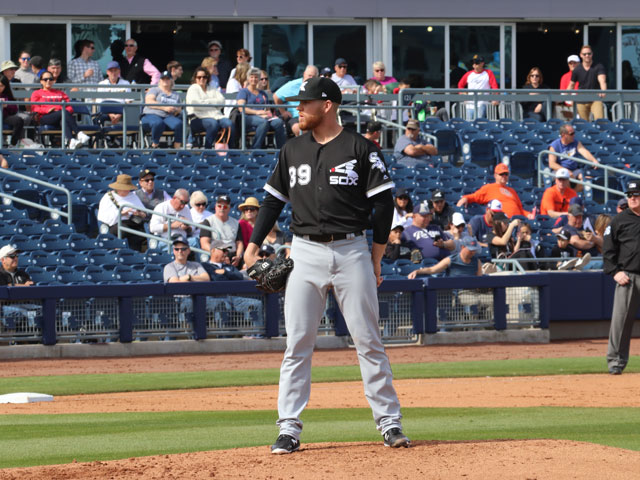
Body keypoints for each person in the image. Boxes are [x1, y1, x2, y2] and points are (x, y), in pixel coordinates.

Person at [242, 76, 409, 453]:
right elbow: (271, 203)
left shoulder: (360, 148)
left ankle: (389, 422)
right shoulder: (292, 148)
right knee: (297, 342)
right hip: (303, 252)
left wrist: (376, 259)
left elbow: (383, 207)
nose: (298, 108)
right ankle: (288, 426)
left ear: (327, 105)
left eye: (305, 103)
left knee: (368, 340)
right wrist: (253, 245)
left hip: (352, 251)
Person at [603, 180, 640, 374]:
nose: (632, 198)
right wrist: (615, 272)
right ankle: (616, 363)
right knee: (621, 321)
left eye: (636, 194)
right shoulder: (619, 220)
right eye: (630, 195)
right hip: (629, 277)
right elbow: (608, 249)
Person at [201, 240, 263, 331]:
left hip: (234, 298)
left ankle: (258, 333)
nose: (226, 253)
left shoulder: (229, 267)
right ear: (213, 251)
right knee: (222, 306)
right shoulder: (205, 266)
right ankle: (224, 338)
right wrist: (227, 275)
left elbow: (239, 277)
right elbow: (216, 279)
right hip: (217, 298)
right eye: (223, 250)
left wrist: (225, 272)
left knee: (256, 304)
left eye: (227, 251)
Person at [29, 72, 91, 149]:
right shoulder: (36, 93)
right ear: (41, 81)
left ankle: (71, 141)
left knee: (63, 119)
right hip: (45, 117)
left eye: (50, 79)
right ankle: (78, 133)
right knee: (63, 113)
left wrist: (59, 110)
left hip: (60, 116)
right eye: (45, 79)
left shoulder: (60, 93)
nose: (48, 81)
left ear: (53, 81)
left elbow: (69, 107)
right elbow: (34, 108)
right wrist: (47, 110)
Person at [457, 164, 536, 219]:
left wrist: (528, 215)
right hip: (502, 222)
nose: (504, 176)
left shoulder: (512, 191)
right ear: (495, 175)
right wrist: (465, 198)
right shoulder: (489, 188)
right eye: (501, 174)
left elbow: (520, 209)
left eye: (506, 174)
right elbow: (475, 196)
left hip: (518, 222)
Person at [237, 68, 286, 149]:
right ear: (248, 78)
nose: (254, 79)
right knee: (263, 122)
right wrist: (257, 113)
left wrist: (269, 114)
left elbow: (267, 109)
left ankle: (281, 150)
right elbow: (241, 108)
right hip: (248, 117)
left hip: (264, 118)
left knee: (279, 122)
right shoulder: (243, 92)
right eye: (252, 77)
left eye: (256, 77)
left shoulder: (262, 93)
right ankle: (255, 149)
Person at [97, 174, 147, 251]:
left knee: (138, 234)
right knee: (125, 230)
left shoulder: (133, 196)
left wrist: (139, 214)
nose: (127, 190)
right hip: (115, 226)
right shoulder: (108, 197)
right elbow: (102, 216)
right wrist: (121, 213)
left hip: (133, 223)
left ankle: (134, 255)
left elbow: (144, 212)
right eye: (125, 188)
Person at [186, 67, 233, 149]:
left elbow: (222, 101)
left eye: (204, 77)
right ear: (195, 78)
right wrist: (213, 104)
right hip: (197, 118)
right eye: (199, 77)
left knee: (229, 124)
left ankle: (230, 149)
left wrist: (206, 101)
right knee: (213, 124)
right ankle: (208, 149)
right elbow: (195, 104)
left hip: (217, 116)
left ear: (207, 78)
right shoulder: (193, 88)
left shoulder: (212, 89)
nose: (202, 79)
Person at [547, 123, 599, 190]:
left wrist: (594, 160)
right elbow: (552, 164)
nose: (574, 135)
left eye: (574, 133)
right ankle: (570, 196)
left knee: (586, 178)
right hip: (560, 170)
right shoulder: (554, 146)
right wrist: (566, 171)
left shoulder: (575, 142)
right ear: (563, 135)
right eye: (571, 134)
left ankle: (573, 194)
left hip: (574, 170)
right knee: (565, 178)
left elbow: (584, 151)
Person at [141, 70, 183, 149]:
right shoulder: (155, 90)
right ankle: (154, 145)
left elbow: (179, 109)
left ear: (171, 80)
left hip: (168, 117)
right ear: (160, 80)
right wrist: (164, 107)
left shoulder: (176, 94)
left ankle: (176, 150)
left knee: (179, 124)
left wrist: (175, 109)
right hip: (151, 115)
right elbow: (149, 101)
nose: (165, 81)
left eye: (167, 79)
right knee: (158, 123)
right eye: (163, 79)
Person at [273, 65, 319, 137]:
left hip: (312, 116)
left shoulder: (318, 87)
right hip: (295, 116)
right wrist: (283, 112)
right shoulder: (293, 85)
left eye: (313, 76)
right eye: (309, 75)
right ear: (304, 74)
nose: (311, 78)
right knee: (299, 129)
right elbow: (276, 96)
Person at [199, 194, 243, 267]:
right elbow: (204, 244)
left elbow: (239, 243)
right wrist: (220, 254)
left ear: (229, 209)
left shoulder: (236, 223)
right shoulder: (208, 221)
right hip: (215, 255)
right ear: (215, 207)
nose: (222, 208)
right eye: (219, 206)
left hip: (232, 255)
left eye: (225, 207)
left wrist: (238, 256)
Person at [408, 236, 482, 278]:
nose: (473, 252)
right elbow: (432, 270)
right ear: (462, 247)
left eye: (474, 250)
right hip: (458, 293)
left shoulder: (477, 262)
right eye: (470, 250)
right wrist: (417, 271)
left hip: (473, 291)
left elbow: (479, 281)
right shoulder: (451, 260)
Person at [568, 45, 607, 121]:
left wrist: (603, 91)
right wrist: (563, 97)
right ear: (581, 55)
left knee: (600, 121)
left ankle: (600, 133)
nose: (587, 56)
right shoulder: (577, 70)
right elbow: (571, 85)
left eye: (589, 54)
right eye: (584, 54)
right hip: (581, 100)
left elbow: (602, 81)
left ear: (592, 54)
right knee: (583, 124)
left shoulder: (598, 66)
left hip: (596, 98)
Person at [457, 54, 498, 120]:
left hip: (482, 103)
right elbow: (460, 85)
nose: (474, 64)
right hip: (469, 104)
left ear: (482, 63)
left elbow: (494, 87)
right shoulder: (469, 74)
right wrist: (463, 94)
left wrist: (495, 98)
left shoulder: (488, 73)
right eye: (473, 62)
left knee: (479, 122)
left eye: (476, 62)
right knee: (469, 123)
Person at [97, 61, 131, 126]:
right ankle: (102, 136)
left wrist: (119, 114)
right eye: (111, 71)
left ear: (119, 71)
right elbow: (99, 102)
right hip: (106, 112)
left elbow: (128, 101)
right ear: (107, 72)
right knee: (98, 119)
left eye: (115, 70)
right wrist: (110, 114)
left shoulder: (126, 83)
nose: (113, 73)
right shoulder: (102, 84)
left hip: (122, 113)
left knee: (132, 117)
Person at [0, 74, 25, 146]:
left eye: (2, 86)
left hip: (4, 116)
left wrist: (6, 105)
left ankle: (13, 144)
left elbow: (14, 108)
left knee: (19, 120)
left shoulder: (7, 95)